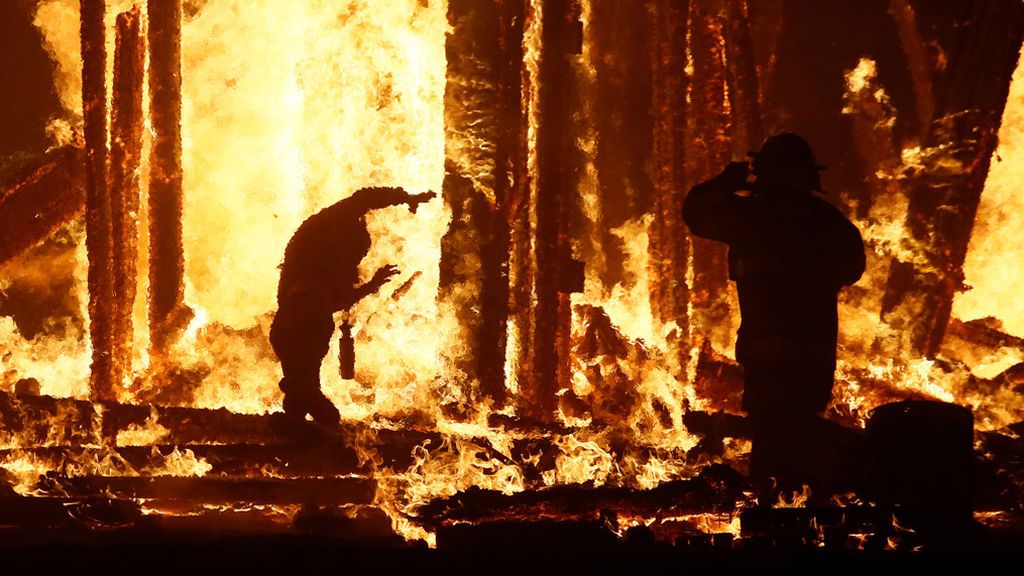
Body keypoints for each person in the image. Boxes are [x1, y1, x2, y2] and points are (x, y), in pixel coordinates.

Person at [682, 132, 865, 492]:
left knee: (774, 435)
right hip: (811, 352)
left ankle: (779, 509)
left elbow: (696, 213)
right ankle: (808, 504)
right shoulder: (827, 222)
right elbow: (851, 269)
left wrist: (725, 182)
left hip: (767, 351)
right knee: (795, 431)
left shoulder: (750, 217)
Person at [270, 186, 435, 424]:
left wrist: (405, 198)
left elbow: (327, 303)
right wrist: (406, 197)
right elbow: (365, 198)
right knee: (318, 406)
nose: (358, 261)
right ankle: (297, 424)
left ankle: (294, 423)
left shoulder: (309, 255)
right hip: (302, 332)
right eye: (358, 255)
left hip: (289, 330)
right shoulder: (322, 238)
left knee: (302, 394)